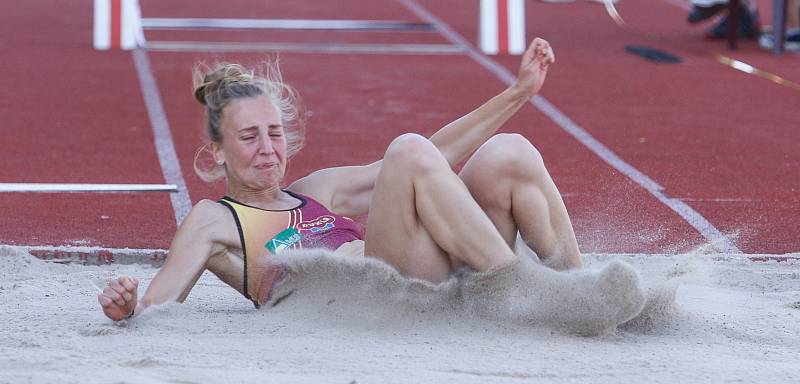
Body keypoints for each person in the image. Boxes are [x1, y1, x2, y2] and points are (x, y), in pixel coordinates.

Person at [98, 38, 644, 332]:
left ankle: (582, 296)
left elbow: (435, 161)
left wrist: (519, 92)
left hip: (438, 277)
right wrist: (129, 311)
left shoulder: (319, 188)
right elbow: (160, 304)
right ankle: (521, 285)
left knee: (509, 153)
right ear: (217, 153)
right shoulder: (215, 220)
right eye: (248, 137)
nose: (267, 148)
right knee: (406, 149)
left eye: (274, 133)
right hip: (380, 299)